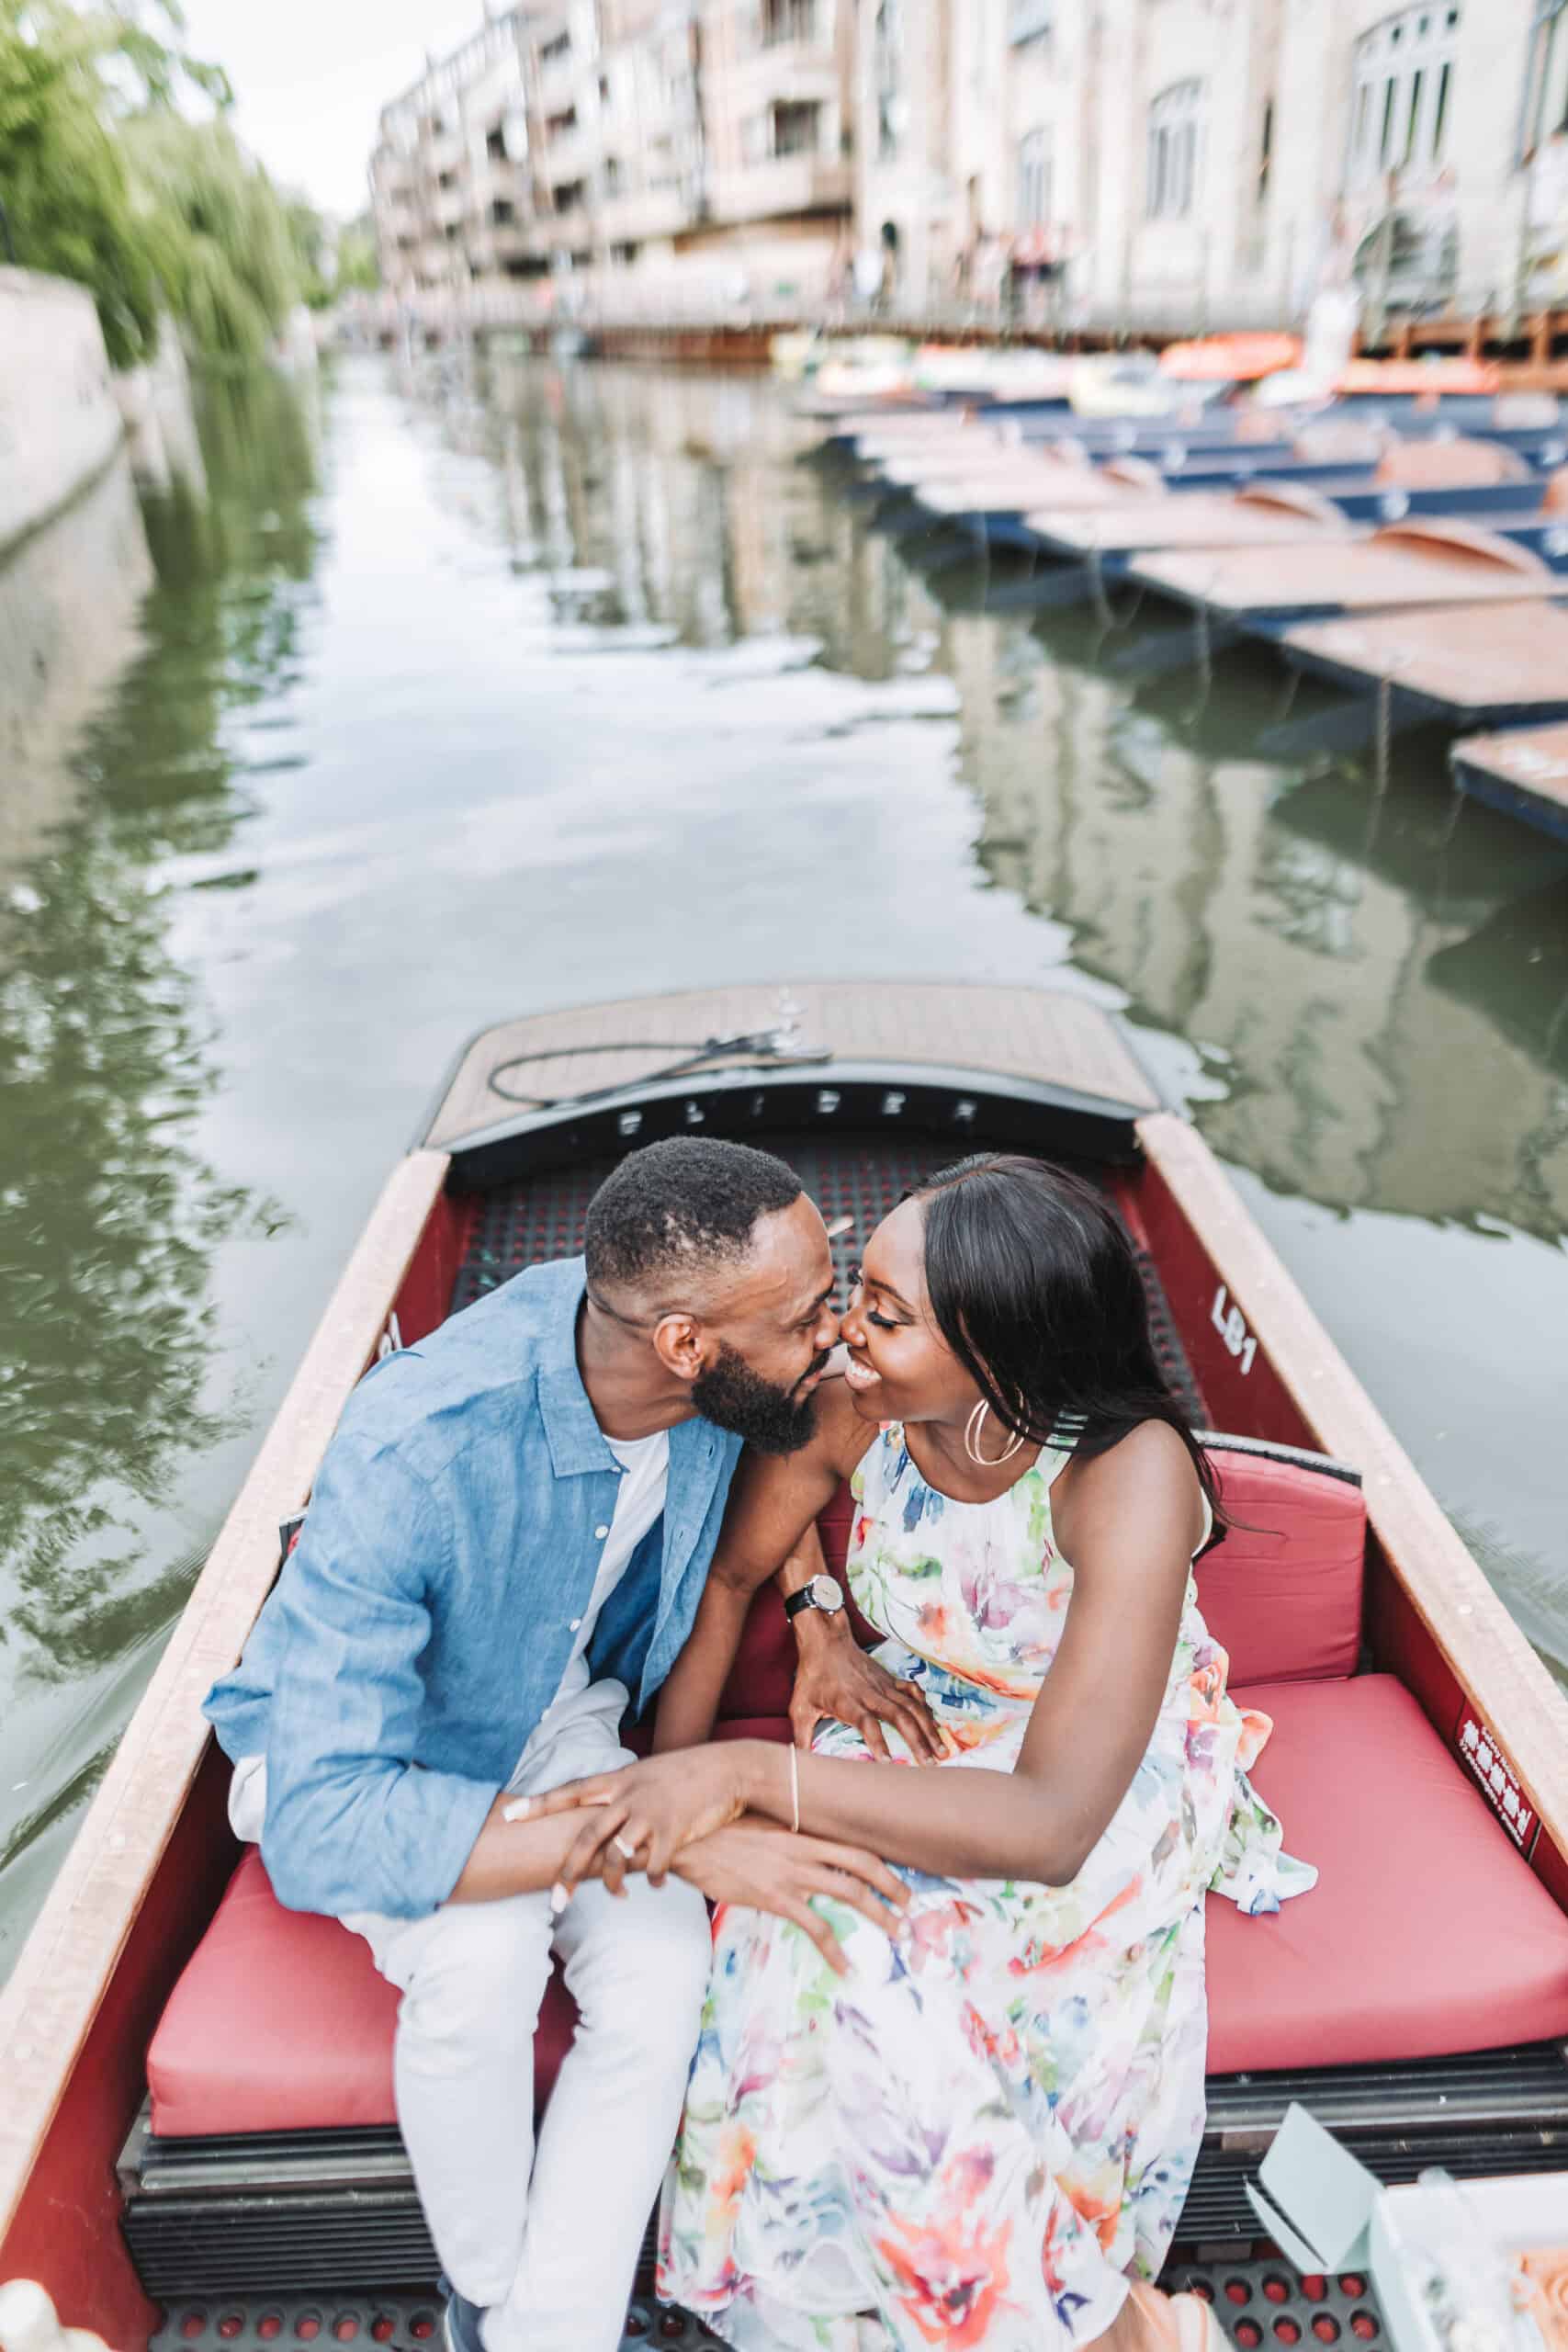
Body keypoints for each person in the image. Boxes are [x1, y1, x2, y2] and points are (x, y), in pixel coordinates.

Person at [531, 1153, 1316, 2352]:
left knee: (891, 1955)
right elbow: (737, 1570)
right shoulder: (857, 1400)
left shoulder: (1125, 1472)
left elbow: (1053, 1826)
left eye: (884, 1315)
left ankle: (1110, 2333)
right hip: (923, 1719)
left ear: (998, 1351)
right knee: (789, 1933)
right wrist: (735, 1755)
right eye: (857, 1293)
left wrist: (739, 1780)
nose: (840, 1332)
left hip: (1099, 1775)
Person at [202, 1136, 918, 2352]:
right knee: (479, 1970)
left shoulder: (695, 1367)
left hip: (560, 1728)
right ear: (686, 1345)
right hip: (387, 1765)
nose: (834, 1335)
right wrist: (675, 1835)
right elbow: (326, 1829)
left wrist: (812, 1609)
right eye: (807, 1317)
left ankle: (544, 2332)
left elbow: (781, 1441)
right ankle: (490, 2297)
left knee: (660, 1976)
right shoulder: (413, 1445)